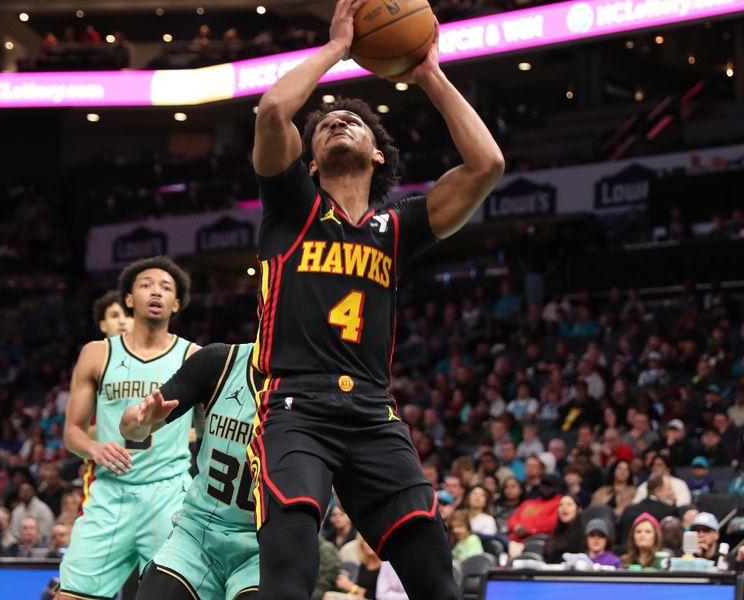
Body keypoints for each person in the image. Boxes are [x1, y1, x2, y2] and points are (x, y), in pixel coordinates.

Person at [249, 0, 504, 598]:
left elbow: (487, 163)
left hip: (372, 412)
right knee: (289, 572)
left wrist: (430, 75)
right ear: (308, 160)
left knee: (435, 577)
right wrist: (339, 48)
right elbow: (272, 110)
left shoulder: (400, 227)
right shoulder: (292, 206)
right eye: (326, 124)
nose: (338, 121)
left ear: (379, 154)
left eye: (353, 121)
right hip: (294, 407)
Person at [58, 256, 198, 600]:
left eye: (167, 288)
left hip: (169, 495)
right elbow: (72, 433)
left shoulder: (194, 356)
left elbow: (209, 431)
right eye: (146, 284)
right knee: (70, 596)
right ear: (129, 299)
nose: (157, 291)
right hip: (110, 493)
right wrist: (94, 448)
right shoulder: (96, 354)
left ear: (176, 304)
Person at [119, 341, 260, 600]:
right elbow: (130, 429)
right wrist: (140, 420)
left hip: (264, 545)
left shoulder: (319, 388)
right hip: (198, 532)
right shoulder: (219, 361)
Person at [619, 473, 678, 542]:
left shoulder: (629, 510)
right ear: (657, 491)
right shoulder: (669, 511)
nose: (672, 492)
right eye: (669, 488)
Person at [507, 474, 561, 542]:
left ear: (556, 488)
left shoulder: (559, 503)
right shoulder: (528, 502)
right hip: (513, 539)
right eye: (543, 485)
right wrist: (517, 527)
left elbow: (551, 524)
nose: (545, 488)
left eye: (549, 486)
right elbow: (512, 519)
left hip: (537, 541)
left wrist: (530, 530)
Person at [542, 494, 585, 563]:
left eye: (569, 504)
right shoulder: (554, 534)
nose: (564, 507)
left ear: (578, 510)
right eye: (561, 505)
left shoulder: (583, 533)